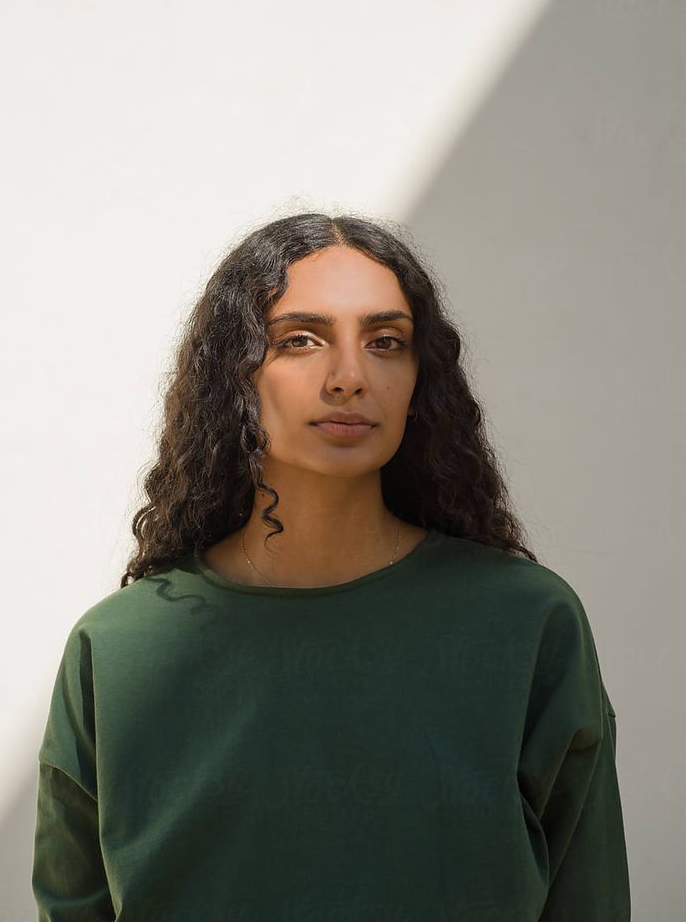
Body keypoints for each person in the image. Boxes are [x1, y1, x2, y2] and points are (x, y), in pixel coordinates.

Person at [31, 211, 631, 920]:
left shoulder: (527, 623)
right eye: (301, 340)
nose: (349, 376)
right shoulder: (119, 648)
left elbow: (587, 899)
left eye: (386, 342)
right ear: (235, 371)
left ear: (420, 379)